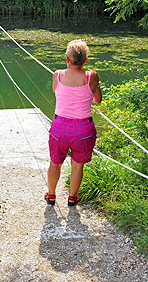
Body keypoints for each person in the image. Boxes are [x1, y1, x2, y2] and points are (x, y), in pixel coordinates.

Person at [44, 40, 102, 206]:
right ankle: (72, 197)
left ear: (67, 59)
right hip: (83, 129)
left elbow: (56, 91)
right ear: (85, 60)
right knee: (77, 166)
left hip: (59, 128)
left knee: (55, 164)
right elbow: (97, 100)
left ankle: (51, 195)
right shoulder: (93, 76)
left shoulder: (58, 75)